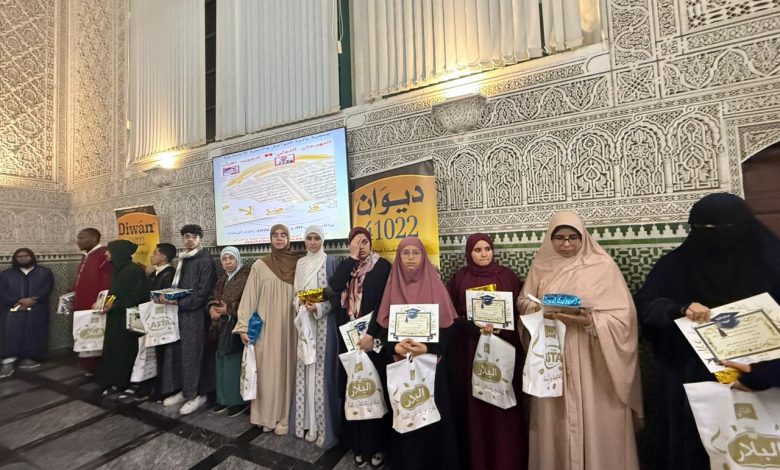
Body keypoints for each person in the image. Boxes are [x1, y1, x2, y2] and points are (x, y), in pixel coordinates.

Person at [635, 193, 780, 470]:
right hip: (691, 377)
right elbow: (645, 306)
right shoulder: (676, 264)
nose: (715, 239)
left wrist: (765, 373)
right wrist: (678, 309)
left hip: (764, 375)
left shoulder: (773, 265)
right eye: (704, 230)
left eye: (724, 230)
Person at [517, 211, 642, 470]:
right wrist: (539, 309)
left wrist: (589, 321)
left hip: (594, 357)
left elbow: (624, 319)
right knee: (555, 421)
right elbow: (523, 301)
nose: (566, 244)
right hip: (553, 354)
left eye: (573, 237)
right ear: (550, 239)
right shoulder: (541, 265)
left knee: (598, 419)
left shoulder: (603, 266)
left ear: (583, 237)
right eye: (559, 238)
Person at [376, 237, 460, 470]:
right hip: (401, 367)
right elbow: (382, 332)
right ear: (399, 257)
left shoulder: (435, 285)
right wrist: (395, 348)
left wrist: (428, 349)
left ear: (423, 257)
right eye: (405, 253)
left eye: (416, 253)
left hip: (432, 367)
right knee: (406, 418)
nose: (411, 258)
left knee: (434, 419)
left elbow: (448, 330)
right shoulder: (391, 287)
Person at [447, 233, 526, 470]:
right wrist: (471, 326)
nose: (483, 254)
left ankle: (506, 460)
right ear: (469, 253)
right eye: (477, 250)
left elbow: (519, 313)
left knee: (502, 404)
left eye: (487, 249)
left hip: (503, 349)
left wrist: (502, 328)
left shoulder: (507, 276)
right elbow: (452, 316)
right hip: (471, 351)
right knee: (477, 404)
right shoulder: (460, 278)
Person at [328, 227, 392, 469]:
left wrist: (371, 335)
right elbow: (335, 286)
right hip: (350, 340)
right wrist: (352, 258)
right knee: (355, 391)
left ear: (371, 243)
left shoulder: (382, 266)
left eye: (364, 242)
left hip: (372, 339)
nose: (361, 246)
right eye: (355, 243)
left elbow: (385, 303)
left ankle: (377, 446)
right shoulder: (347, 267)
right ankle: (358, 445)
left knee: (375, 389)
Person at [235, 224, 300, 434]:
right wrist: (243, 326)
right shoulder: (260, 265)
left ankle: (284, 418)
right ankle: (265, 417)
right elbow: (249, 297)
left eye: (283, 235)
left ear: (289, 239)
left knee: (288, 371)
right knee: (266, 372)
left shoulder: (299, 264)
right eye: (275, 235)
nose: (279, 239)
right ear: (270, 239)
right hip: (266, 328)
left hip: (291, 328)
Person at [159, 224, 217, 415]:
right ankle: (185, 390)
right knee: (179, 353)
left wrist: (178, 302)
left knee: (194, 355)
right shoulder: (184, 258)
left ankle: (197, 395)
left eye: (193, 236)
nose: (190, 240)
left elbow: (202, 293)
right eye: (186, 236)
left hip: (196, 316)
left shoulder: (205, 260)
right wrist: (168, 297)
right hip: (180, 314)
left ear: (200, 238)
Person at [291, 226, 340, 448]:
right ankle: (305, 424)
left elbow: (337, 297)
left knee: (320, 374)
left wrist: (318, 308)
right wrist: (301, 305)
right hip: (304, 324)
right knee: (305, 372)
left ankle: (321, 426)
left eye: (316, 238)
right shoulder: (301, 263)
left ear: (323, 240)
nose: (312, 242)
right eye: (309, 238)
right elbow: (295, 294)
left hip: (324, 325)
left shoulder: (331, 262)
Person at [96, 240, 149, 394]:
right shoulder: (117, 269)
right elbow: (115, 292)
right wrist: (104, 304)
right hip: (115, 317)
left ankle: (126, 383)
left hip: (129, 317)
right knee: (114, 349)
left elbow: (138, 295)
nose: (106, 254)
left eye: (109, 251)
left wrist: (115, 305)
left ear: (119, 253)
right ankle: (114, 381)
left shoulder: (134, 270)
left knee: (126, 350)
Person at [208, 246, 251, 417]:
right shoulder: (222, 278)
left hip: (236, 326)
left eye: (231, 258)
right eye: (224, 259)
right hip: (220, 326)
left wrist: (230, 309)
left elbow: (251, 300)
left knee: (235, 364)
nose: (228, 262)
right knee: (222, 364)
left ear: (238, 259)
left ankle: (238, 402)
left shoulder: (247, 276)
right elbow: (213, 297)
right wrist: (211, 308)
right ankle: (223, 399)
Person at [0, 248, 54, 378]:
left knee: (33, 332)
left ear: (32, 257)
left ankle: (28, 358)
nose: (23, 258)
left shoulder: (44, 272)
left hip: (36, 308)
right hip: (13, 309)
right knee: (11, 333)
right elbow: (2, 291)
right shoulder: (6, 274)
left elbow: (47, 288)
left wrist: (34, 299)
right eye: (20, 256)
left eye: (26, 256)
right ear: (15, 258)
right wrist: (16, 302)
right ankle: (8, 362)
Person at [73, 228, 112, 374]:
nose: (78, 241)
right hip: (82, 304)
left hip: (95, 305)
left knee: (97, 336)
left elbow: (107, 281)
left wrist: (101, 302)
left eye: (81, 238)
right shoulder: (88, 254)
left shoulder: (103, 254)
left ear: (94, 238)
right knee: (86, 335)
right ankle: (88, 367)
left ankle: (98, 368)